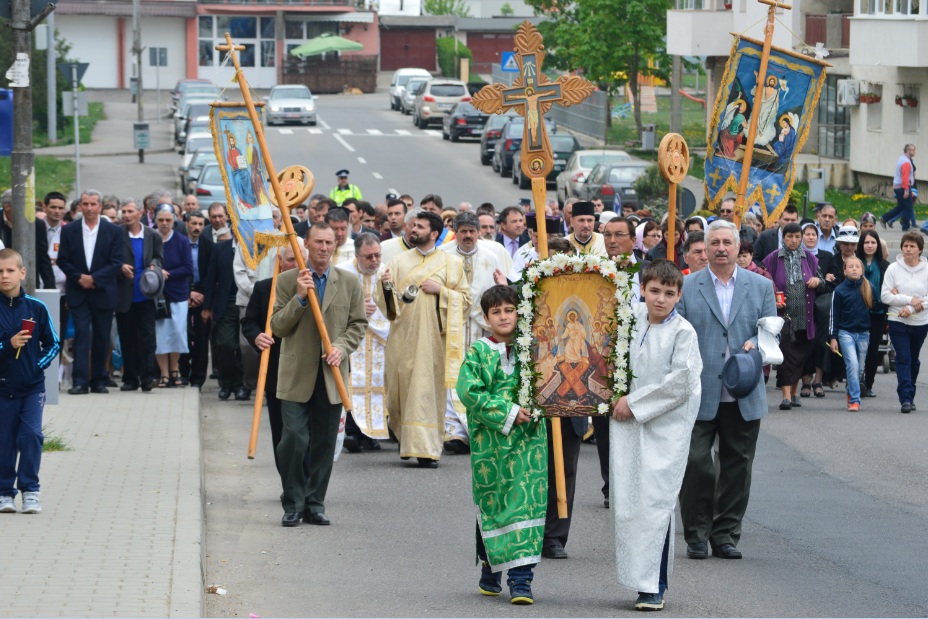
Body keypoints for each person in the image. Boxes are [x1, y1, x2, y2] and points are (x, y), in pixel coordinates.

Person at [676, 220, 776, 560]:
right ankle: (696, 534)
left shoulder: (760, 287)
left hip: (743, 391)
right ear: (704, 248)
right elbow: (676, 337)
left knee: (737, 467)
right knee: (696, 463)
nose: (720, 248)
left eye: (726, 243)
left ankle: (725, 534)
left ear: (738, 247)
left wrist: (755, 344)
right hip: (698, 391)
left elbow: (770, 336)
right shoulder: (686, 286)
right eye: (713, 243)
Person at [609, 260, 702, 611]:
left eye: (668, 293)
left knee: (655, 506)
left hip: (663, 430)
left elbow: (681, 382)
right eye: (654, 291)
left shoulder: (683, 333)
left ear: (678, 295)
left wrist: (634, 403)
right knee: (628, 505)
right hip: (627, 425)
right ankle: (636, 578)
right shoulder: (631, 320)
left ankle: (654, 585)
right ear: (643, 290)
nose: (660, 299)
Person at [271, 223, 367, 527]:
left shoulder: (350, 282)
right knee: (295, 439)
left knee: (324, 444)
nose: (324, 248)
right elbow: (277, 327)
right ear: (307, 246)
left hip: (331, 374)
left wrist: (341, 347)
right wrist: (299, 298)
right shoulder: (288, 281)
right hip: (295, 373)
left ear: (335, 246)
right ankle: (293, 502)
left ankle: (315, 503)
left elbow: (358, 325)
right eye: (318, 242)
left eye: (329, 242)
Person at [456, 285, 546, 606]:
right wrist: (508, 412)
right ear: (486, 317)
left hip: (529, 443)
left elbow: (548, 384)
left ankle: (521, 581)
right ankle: (490, 567)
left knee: (525, 505)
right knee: (493, 505)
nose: (504, 316)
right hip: (491, 444)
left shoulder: (533, 348)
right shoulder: (479, 351)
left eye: (509, 310)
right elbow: (469, 391)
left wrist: (534, 409)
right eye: (497, 312)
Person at [375, 211, 471, 468]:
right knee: (401, 389)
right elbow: (389, 307)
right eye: (413, 225)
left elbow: (465, 301)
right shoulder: (397, 262)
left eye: (419, 226)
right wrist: (384, 286)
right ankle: (408, 443)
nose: (412, 229)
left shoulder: (452, 264)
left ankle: (427, 449)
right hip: (403, 338)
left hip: (433, 342)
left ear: (434, 234)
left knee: (427, 391)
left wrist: (441, 291)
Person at [441, 212, 509, 454]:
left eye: (472, 231)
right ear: (456, 232)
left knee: (482, 375)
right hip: (453, 326)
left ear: (479, 232)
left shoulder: (492, 256)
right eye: (463, 231)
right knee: (454, 375)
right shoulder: (444, 255)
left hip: (482, 326)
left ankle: (480, 427)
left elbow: (504, 291)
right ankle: (454, 431)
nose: (468, 235)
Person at [241, 242, 306, 486]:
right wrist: (256, 335)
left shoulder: (314, 288)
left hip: (307, 372)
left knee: (305, 434)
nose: (294, 265)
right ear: (279, 261)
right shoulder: (264, 288)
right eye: (290, 259)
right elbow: (248, 322)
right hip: (276, 371)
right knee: (283, 433)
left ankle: (307, 485)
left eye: (299, 259)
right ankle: (289, 485)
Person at [0, 248, 59, 515]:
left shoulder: (36, 307)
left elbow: (53, 343)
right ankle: (4, 493)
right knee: (4, 440)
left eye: (10, 270)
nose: (4, 276)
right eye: (0, 272)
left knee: (32, 436)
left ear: (22, 273)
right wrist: (7, 345)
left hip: (32, 387)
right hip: (2, 388)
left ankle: (30, 491)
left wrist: (36, 366)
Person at [56, 189, 123, 394]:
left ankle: (99, 381)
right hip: (79, 292)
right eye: (85, 204)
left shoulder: (113, 231)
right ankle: (80, 382)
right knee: (82, 336)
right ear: (80, 206)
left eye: (93, 204)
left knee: (102, 336)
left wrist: (94, 279)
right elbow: (63, 260)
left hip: (103, 291)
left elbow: (117, 262)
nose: (89, 208)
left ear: (100, 206)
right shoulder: (69, 230)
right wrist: (80, 278)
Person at [336, 234, 390, 453]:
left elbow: (395, 306)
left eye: (377, 255)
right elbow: (332, 305)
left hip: (379, 339)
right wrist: (357, 308)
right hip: (352, 337)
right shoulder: (342, 272)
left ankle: (372, 434)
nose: (374, 261)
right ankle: (352, 432)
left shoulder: (387, 272)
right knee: (352, 384)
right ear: (356, 255)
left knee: (377, 385)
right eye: (368, 257)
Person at [763, 222, 821, 409]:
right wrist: (773, 298)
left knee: (800, 355)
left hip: (805, 315)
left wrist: (817, 280)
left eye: (797, 236)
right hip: (783, 316)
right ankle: (786, 397)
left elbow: (822, 282)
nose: (794, 240)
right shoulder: (773, 258)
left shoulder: (810, 258)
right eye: (790, 237)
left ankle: (795, 392)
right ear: (783, 238)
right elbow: (764, 282)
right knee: (787, 355)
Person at [115, 199, 163, 392]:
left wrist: (153, 264)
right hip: (124, 295)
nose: (126, 215)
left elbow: (159, 257)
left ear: (140, 213)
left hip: (146, 295)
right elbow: (109, 258)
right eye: (123, 211)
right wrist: (120, 267)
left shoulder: (152, 235)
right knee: (127, 339)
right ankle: (130, 378)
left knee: (148, 339)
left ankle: (148, 377)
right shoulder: (116, 234)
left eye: (130, 211)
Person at [880, 230, 928, 414]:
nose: (908, 250)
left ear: (920, 250)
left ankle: (911, 391)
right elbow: (885, 296)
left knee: (913, 360)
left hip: (920, 322)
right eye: (905, 246)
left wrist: (912, 308)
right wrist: (909, 300)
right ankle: (905, 398)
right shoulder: (893, 269)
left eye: (912, 246)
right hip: (897, 319)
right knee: (903, 358)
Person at [201, 229, 247, 401]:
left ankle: (242, 385)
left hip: (247, 304)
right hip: (226, 304)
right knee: (226, 345)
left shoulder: (254, 249)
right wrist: (207, 306)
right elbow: (211, 278)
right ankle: (226, 384)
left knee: (244, 348)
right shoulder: (220, 248)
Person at [153, 205, 193, 387]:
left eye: (168, 220)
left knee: (177, 331)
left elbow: (187, 267)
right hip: (156, 294)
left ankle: (174, 367)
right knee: (160, 333)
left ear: (174, 221)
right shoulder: (151, 238)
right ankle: (163, 372)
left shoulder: (182, 241)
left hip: (177, 293)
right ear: (155, 220)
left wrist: (168, 274)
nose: (164, 223)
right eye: (161, 220)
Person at [829, 257, 874, 412]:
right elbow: (833, 316)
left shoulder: (869, 287)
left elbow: (878, 304)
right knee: (852, 365)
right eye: (851, 266)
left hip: (863, 333)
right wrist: (833, 337)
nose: (854, 269)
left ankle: (851, 392)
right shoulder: (839, 290)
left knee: (860, 369)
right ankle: (855, 400)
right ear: (845, 270)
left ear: (862, 270)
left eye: (857, 266)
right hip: (845, 332)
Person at [179, 212, 212, 389]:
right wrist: (188, 294)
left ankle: (198, 378)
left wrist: (203, 298)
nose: (197, 227)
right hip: (182, 294)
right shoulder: (179, 244)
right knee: (182, 334)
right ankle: (183, 372)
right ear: (187, 224)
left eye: (200, 224)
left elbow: (211, 275)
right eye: (194, 223)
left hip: (202, 297)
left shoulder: (209, 246)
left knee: (201, 338)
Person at [857, 230, 890, 398]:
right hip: (856, 313)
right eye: (866, 243)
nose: (869, 246)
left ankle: (868, 383)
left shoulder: (884, 266)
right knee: (856, 348)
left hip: (877, 314)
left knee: (872, 349)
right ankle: (855, 381)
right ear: (861, 245)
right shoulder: (855, 263)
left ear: (878, 245)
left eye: (873, 243)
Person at [1, 189, 56, 290]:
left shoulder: (37, 225)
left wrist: (50, 288)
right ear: (7, 207)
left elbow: (43, 258)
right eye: (24, 206)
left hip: (28, 284)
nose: (29, 210)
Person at [880, 144, 917, 231]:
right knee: (909, 207)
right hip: (903, 187)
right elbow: (905, 177)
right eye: (913, 150)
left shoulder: (902, 159)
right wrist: (906, 190)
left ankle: (884, 218)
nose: (915, 152)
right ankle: (905, 227)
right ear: (908, 151)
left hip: (898, 186)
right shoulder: (906, 162)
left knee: (901, 206)